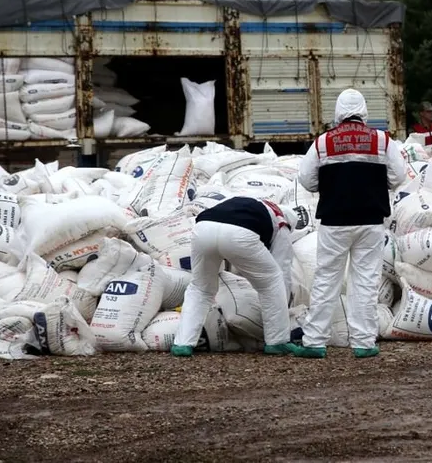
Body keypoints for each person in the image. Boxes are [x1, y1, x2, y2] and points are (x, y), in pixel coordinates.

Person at [294, 88, 407, 359]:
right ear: (364, 111)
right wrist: (379, 184)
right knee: (366, 282)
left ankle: (314, 342)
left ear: (338, 112)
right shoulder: (381, 140)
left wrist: (331, 185)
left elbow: (306, 179)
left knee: (326, 280)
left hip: (334, 221)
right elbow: (399, 175)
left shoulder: (323, 142)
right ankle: (364, 343)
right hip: (370, 221)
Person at [171, 196, 300, 357]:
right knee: (272, 282)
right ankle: (277, 341)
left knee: (200, 288)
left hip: (203, 228)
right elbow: (283, 270)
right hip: (239, 234)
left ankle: (182, 343)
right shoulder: (282, 223)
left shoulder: (253, 205)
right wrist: (284, 307)